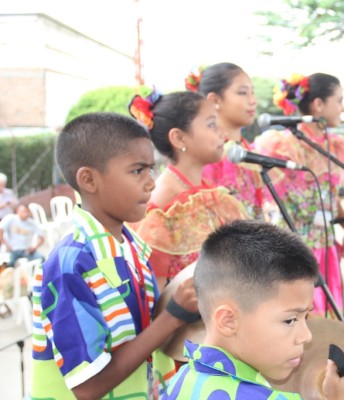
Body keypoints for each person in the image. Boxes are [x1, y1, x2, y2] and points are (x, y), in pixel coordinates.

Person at [30, 112, 199, 399]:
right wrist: (172, 316)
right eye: (138, 171)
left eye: (152, 169)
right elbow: (87, 387)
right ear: (89, 180)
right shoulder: (70, 264)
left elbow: (140, 342)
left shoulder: (131, 247)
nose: (152, 183)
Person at [162, 219, 344, 399]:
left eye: (305, 317)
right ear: (228, 321)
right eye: (290, 320)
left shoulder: (178, 382)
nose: (306, 336)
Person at [254, 73, 344, 317]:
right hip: (296, 244)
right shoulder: (285, 145)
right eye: (339, 100)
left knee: (331, 314)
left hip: (326, 243)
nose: (343, 108)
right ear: (318, 105)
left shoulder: (333, 145)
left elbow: (329, 193)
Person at [129, 90, 248, 291]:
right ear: (179, 138)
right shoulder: (163, 206)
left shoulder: (207, 191)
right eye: (211, 125)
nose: (224, 134)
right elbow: (155, 299)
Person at [185, 63, 267, 220]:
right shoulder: (208, 155)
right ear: (214, 100)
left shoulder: (246, 149)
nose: (253, 101)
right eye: (243, 93)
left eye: (252, 93)